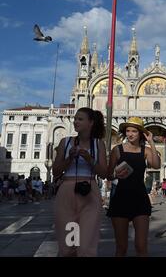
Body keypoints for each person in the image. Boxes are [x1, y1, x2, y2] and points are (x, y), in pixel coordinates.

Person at [52, 107, 108, 257]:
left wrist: (89, 158)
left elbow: (104, 173)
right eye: (75, 118)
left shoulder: (98, 144)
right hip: (67, 192)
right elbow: (56, 172)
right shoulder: (65, 142)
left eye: (80, 119)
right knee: (68, 246)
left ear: (91, 123)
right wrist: (69, 158)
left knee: (86, 246)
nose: (75, 121)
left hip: (90, 192)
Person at [107, 117, 161, 257]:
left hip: (140, 198)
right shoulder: (117, 150)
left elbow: (156, 165)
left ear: (140, 133)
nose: (130, 134)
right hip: (120, 198)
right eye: (128, 131)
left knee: (141, 246)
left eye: (134, 131)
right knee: (121, 248)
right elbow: (108, 175)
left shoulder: (145, 150)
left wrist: (151, 142)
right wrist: (116, 173)